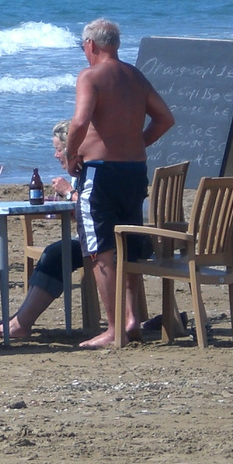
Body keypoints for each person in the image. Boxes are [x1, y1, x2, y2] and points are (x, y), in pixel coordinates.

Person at [64, 19, 176, 349]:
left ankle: (114, 329)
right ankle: (131, 319)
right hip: (133, 169)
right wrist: (136, 141)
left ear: (91, 45)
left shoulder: (90, 76)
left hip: (100, 172)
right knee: (126, 244)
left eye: (83, 47)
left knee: (101, 251)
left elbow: (80, 121)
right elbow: (165, 118)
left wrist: (71, 154)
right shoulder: (135, 76)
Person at [0, 120, 80, 339]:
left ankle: (21, 323)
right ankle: (19, 319)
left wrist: (68, 193)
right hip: (97, 236)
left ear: (72, 149)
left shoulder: (89, 171)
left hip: (112, 240)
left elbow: (94, 210)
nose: (56, 155)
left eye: (58, 150)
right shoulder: (81, 172)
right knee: (54, 252)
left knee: (56, 254)